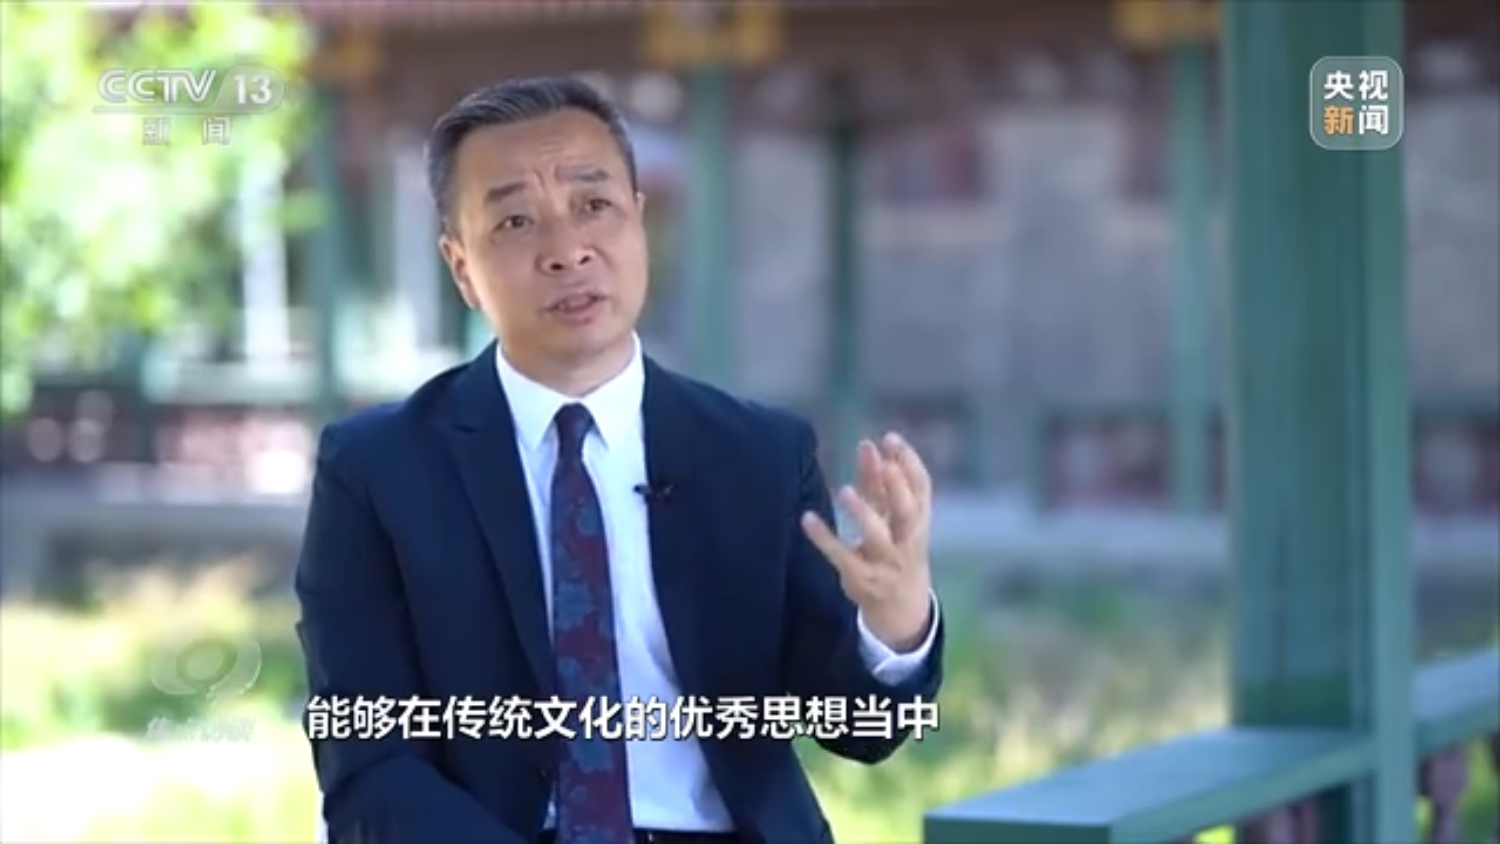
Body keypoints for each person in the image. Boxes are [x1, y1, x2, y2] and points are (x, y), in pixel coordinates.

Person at [295, 75, 945, 844]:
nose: (567, 250)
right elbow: (366, 761)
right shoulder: (377, 469)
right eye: (514, 221)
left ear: (639, 221)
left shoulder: (758, 455)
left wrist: (895, 628)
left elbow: (858, 727)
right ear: (462, 267)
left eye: (594, 205)